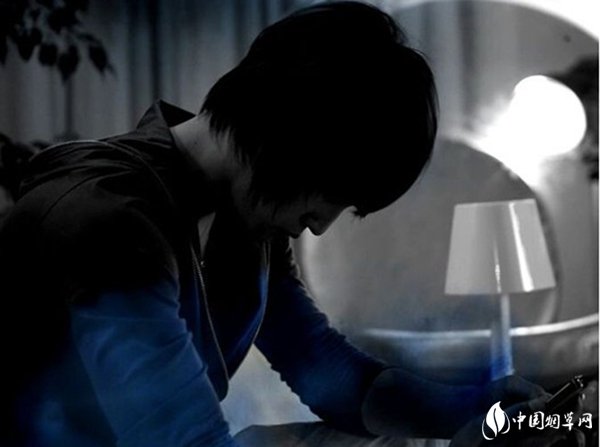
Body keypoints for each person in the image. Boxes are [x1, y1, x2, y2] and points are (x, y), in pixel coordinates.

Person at [0, 2, 581, 446]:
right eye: (334, 196)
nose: (321, 228)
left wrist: (478, 410)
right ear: (293, 141)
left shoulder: (245, 215)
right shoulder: (105, 218)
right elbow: (182, 437)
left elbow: (324, 367)